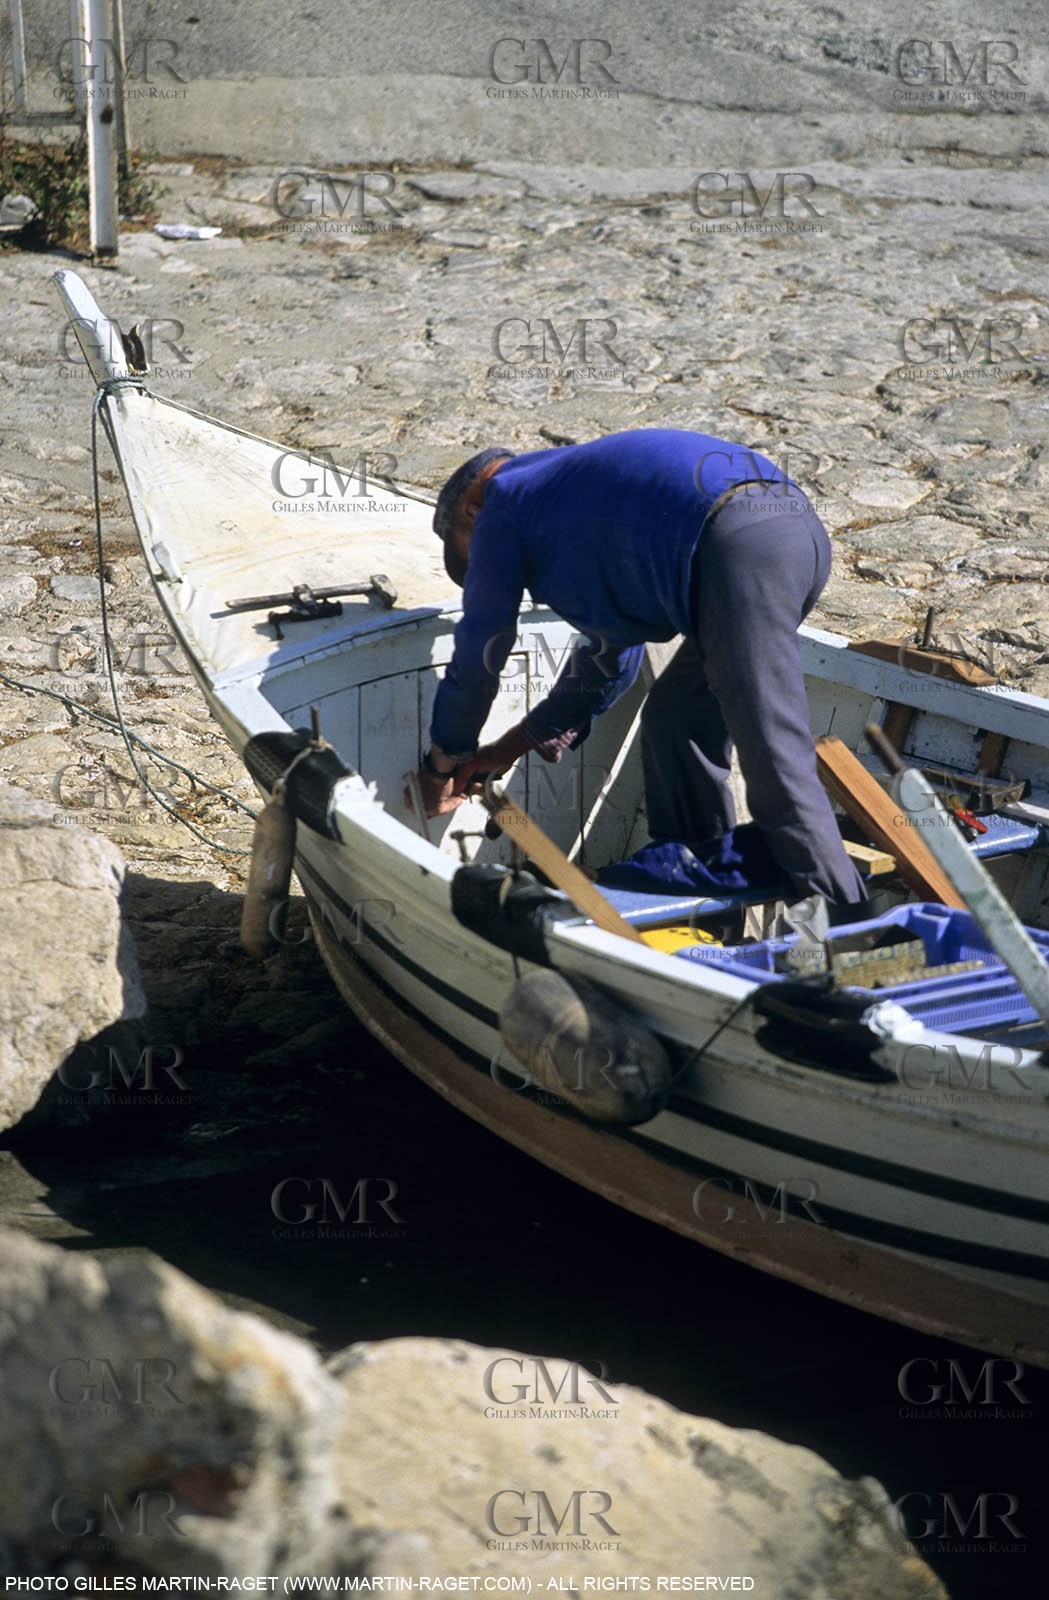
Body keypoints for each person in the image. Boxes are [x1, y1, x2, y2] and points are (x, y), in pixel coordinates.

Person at [412, 429, 865, 908]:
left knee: (773, 748)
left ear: (469, 513)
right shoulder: (561, 491)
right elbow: (612, 659)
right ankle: (695, 883)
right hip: (793, 534)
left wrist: (445, 758)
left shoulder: (500, 506)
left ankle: (847, 924)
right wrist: (509, 746)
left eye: (472, 554)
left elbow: (482, 646)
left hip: (737, 548)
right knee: (676, 718)